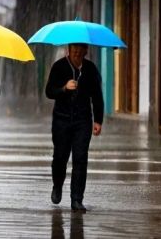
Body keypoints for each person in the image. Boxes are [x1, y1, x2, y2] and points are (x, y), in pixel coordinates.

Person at [45, 43, 103, 212]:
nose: (77, 51)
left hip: (83, 121)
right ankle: (57, 185)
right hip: (61, 120)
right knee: (60, 158)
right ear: (68, 49)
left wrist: (98, 121)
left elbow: (97, 96)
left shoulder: (91, 69)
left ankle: (77, 199)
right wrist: (64, 88)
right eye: (74, 47)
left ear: (86, 50)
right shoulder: (59, 66)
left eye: (80, 48)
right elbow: (49, 91)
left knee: (80, 158)